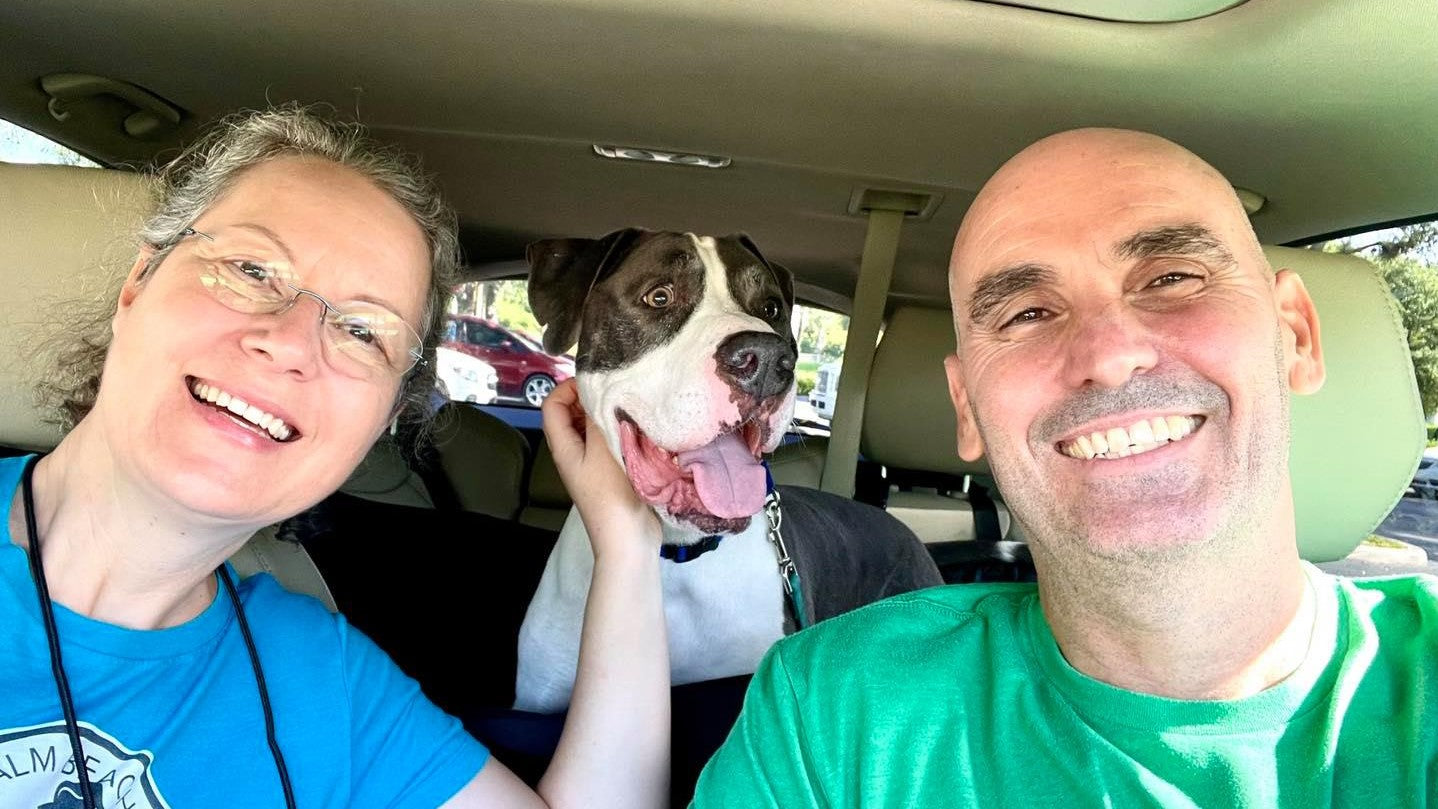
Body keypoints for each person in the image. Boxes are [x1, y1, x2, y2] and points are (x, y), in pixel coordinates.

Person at [689, 128, 1438, 806]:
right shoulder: (832, 712)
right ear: (968, 409)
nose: (1109, 357)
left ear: (1295, 337)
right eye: (1027, 314)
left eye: (1172, 277)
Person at [1, 106, 669, 808]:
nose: (289, 342)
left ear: (382, 419)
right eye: (251, 269)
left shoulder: (322, 681)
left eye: (361, 331)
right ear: (137, 284)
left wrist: (626, 537)